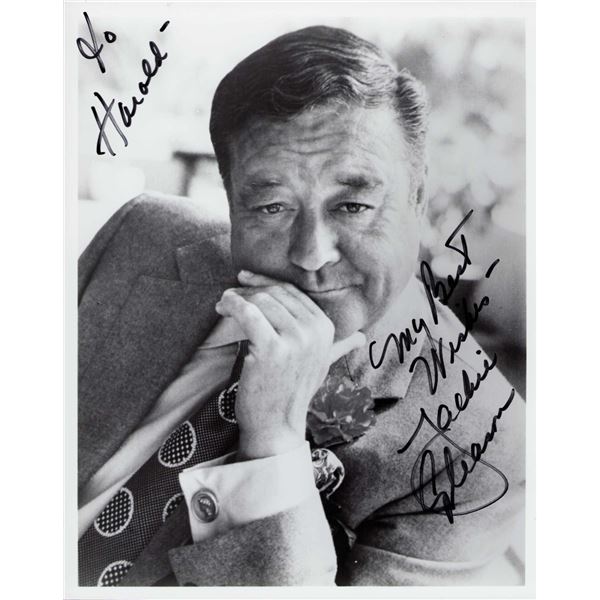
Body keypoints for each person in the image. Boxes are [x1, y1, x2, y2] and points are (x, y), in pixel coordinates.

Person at [77, 25, 525, 587]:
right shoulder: (144, 235)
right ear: (230, 201)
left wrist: (275, 445)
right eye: (271, 206)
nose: (312, 253)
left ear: (418, 197)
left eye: (354, 206)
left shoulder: (480, 447)